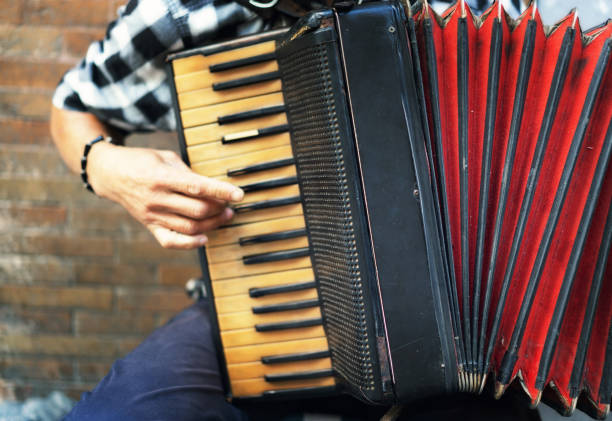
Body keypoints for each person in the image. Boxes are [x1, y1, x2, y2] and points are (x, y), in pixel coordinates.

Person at [51, 0, 542, 419]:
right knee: (126, 410)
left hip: (466, 319)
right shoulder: (189, 10)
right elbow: (72, 106)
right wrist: (104, 167)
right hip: (267, 289)